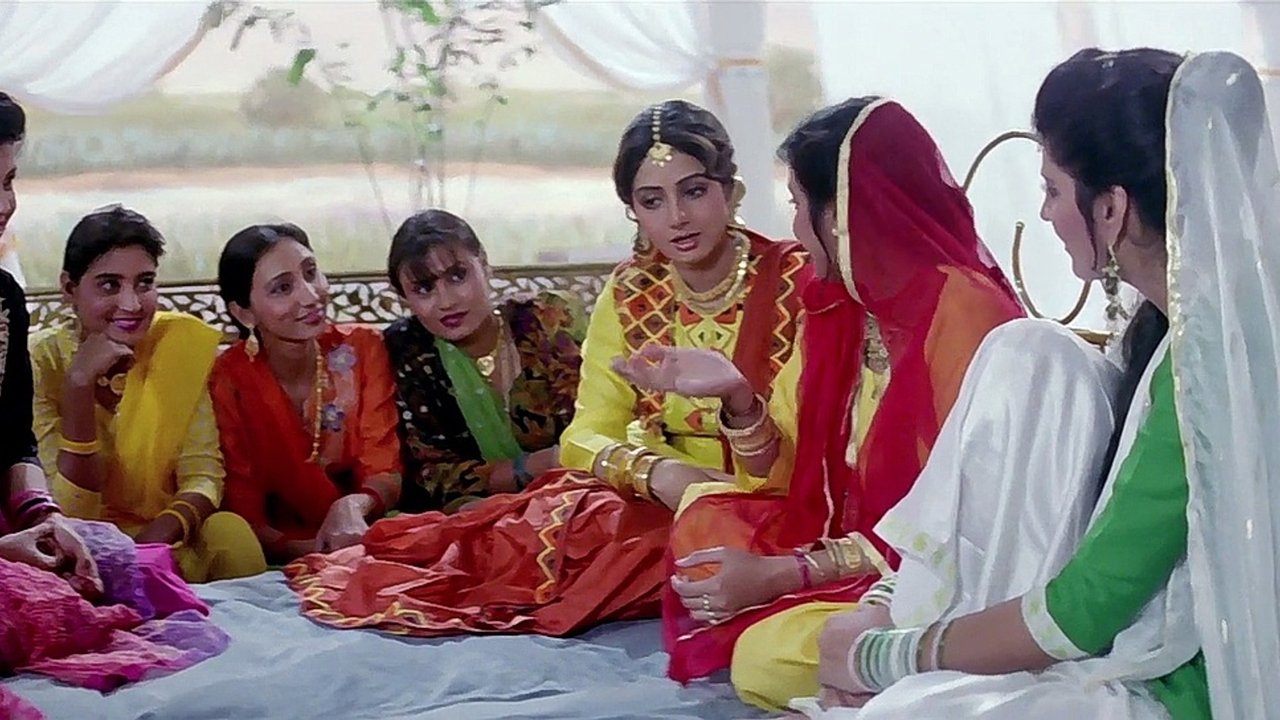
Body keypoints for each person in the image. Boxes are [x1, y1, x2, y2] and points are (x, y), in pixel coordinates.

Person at [804, 48, 1277, 720]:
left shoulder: (1211, 360)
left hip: (1188, 689)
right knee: (1031, 350)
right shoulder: (1172, 330)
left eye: (1053, 190)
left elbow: (1084, 611)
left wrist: (881, 659)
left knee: (910, 710)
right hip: (1099, 641)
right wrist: (890, 624)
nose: (1046, 213)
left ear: (1110, 209)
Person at [283, 99, 811, 637]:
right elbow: (584, 435)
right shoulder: (631, 292)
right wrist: (659, 474)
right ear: (633, 211)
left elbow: (822, 442)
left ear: (730, 189)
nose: (676, 217)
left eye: (693, 191)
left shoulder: (798, 283)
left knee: (622, 546)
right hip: (656, 490)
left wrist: (711, 477)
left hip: (768, 493)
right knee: (538, 534)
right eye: (652, 200)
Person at [616, 97, 1024, 707]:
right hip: (850, 539)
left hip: (936, 568)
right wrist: (737, 394)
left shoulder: (961, 312)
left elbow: (953, 519)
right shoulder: (840, 305)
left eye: (797, 206)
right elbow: (783, 471)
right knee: (705, 517)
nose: (796, 230)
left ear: (840, 215)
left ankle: (904, 664)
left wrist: (787, 573)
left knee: (762, 660)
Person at [31, 206, 265, 583]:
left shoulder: (176, 347)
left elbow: (203, 476)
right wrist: (79, 385)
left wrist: (149, 545)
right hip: (78, 549)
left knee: (230, 533)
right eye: (110, 285)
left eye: (144, 283)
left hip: (166, 541)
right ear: (69, 289)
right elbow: (70, 508)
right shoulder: (39, 362)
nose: (132, 304)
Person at [210, 223, 402, 564]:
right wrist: (314, 552)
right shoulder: (228, 379)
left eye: (311, 273)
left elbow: (385, 469)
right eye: (283, 288)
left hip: (368, 536)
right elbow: (243, 509)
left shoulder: (362, 348)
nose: (311, 296)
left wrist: (352, 506)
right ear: (244, 313)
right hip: (275, 557)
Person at [383, 209, 581, 513]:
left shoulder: (548, 321)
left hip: (580, 494)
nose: (447, 301)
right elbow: (433, 475)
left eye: (457, 276)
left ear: (484, 264)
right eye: (423, 289)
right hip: (474, 515)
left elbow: (601, 418)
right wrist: (534, 466)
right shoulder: (405, 353)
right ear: (403, 298)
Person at [0, 91, 100, 596]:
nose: (5, 206)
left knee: (121, 565)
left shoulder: (4, 300)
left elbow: (14, 443)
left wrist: (46, 518)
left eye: (8, 182)